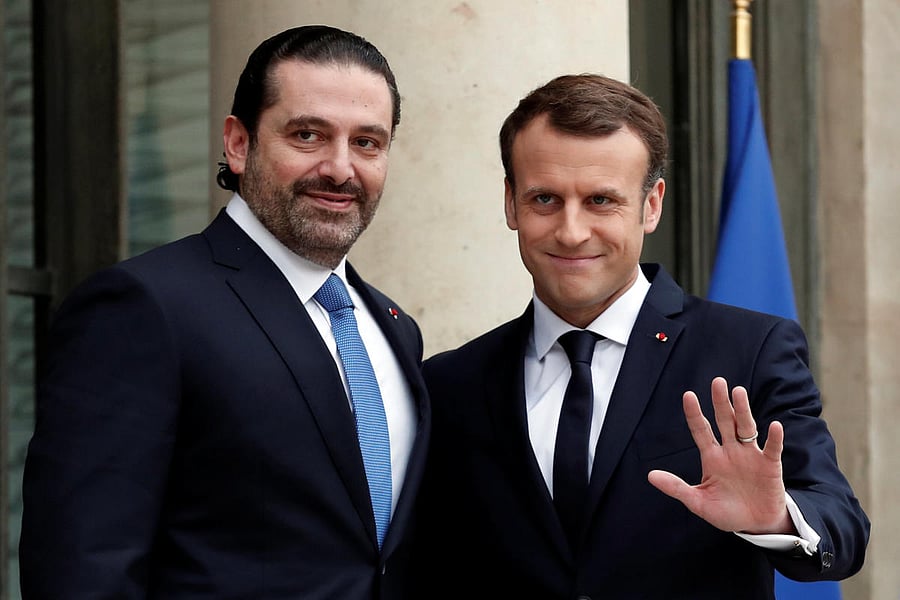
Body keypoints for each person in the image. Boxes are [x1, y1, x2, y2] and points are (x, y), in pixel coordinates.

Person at [414, 74, 869, 599]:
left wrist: (777, 521)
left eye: (602, 201)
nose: (571, 230)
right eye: (545, 199)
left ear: (651, 205)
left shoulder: (750, 349)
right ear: (511, 204)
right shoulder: (451, 380)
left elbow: (842, 526)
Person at [19, 25, 430, 599]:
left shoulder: (394, 329)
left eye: (367, 142)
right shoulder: (143, 307)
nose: (341, 169)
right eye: (308, 135)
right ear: (238, 144)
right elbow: (84, 566)